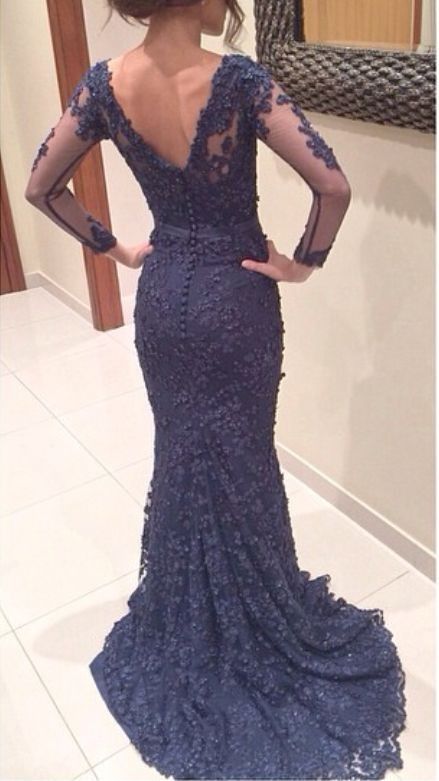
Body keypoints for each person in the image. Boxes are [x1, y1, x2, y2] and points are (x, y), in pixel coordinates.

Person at [24, 1, 407, 778]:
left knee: (181, 456)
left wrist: (116, 249)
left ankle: (190, 615)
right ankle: (256, 615)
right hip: (236, 301)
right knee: (244, 459)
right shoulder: (239, 82)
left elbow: (41, 186)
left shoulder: (103, 84)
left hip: (165, 297)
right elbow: (331, 186)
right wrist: (301, 265)